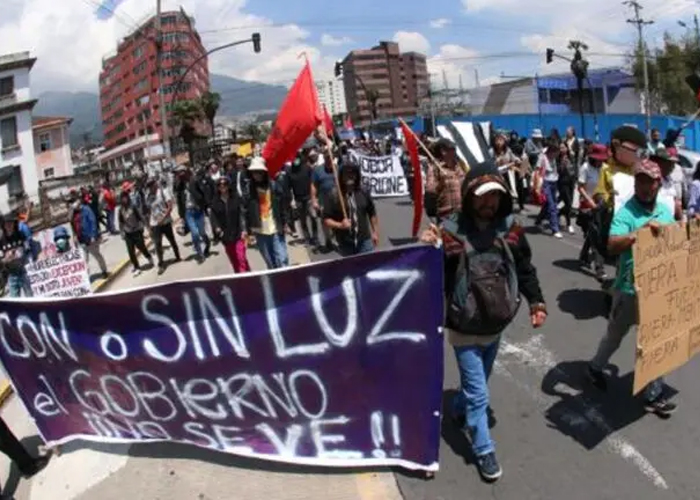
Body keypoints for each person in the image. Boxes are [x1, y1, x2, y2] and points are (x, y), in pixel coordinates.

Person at [420, 159, 547, 482]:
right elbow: (430, 276)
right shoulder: (449, 232)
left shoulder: (511, 229)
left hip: (496, 325)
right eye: (481, 195)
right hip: (463, 329)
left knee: (477, 388)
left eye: (494, 195)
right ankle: (483, 449)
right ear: (469, 195)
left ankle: (459, 408)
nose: (488, 202)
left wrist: (537, 302)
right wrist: (427, 249)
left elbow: (525, 268)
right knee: (480, 394)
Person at [587, 159, 678, 416]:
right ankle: (595, 367)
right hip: (628, 289)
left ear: (658, 184)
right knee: (615, 335)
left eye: (648, 181)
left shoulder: (664, 211)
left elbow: (675, 245)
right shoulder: (626, 212)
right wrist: (640, 233)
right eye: (639, 180)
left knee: (655, 341)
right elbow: (612, 245)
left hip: (656, 290)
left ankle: (654, 394)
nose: (643, 186)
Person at [323, 161, 379, 256]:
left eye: (353, 173)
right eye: (346, 173)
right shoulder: (334, 195)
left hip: (365, 241)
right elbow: (326, 220)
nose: (350, 175)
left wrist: (375, 232)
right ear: (341, 176)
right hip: (345, 243)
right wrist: (340, 225)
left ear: (357, 175)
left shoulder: (364, 192)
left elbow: (372, 213)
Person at [246, 157, 290, 269]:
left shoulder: (274, 185)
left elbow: (282, 206)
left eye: (259, 172)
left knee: (282, 259)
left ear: (264, 172)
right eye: (254, 172)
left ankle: (286, 279)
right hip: (259, 230)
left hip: (275, 227)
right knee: (270, 261)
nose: (256, 175)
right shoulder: (248, 189)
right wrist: (248, 231)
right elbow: (245, 210)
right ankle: (276, 282)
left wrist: (286, 223)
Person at [577, 143, 608, 281]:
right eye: (598, 158)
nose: (600, 161)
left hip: (602, 205)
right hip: (588, 205)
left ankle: (584, 255)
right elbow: (581, 188)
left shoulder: (605, 169)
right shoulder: (585, 168)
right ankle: (599, 269)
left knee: (594, 235)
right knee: (595, 236)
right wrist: (591, 202)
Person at [210, 176, 250, 273]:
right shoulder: (215, 202)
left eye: (225, 184)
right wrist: (217, 228)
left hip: (238, 233)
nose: (222, 186)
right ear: (218, 187)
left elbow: (242, 214)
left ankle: (245, 278)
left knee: (241, 257)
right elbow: (213, 217)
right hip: (225, 235)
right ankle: (241, 276)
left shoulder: (236, 198)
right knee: (234, 259)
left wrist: (244, 229)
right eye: (220, 184)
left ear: (228, 186)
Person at [425, 138, 469, 223]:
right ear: (443, 151)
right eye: (452, 149)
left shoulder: (460, 166)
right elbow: (430, 190)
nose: (455, 151)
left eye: (454, 149)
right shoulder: (435, 168)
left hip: (462, 213)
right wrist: (440, 184)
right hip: (445, 214)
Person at [145, 176, 181, 275]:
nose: (151, 187)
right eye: (149, 186)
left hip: (165, 222)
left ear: (156, 183)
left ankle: (177, 256)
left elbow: (170, 206)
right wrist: (149, 225)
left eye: (152, 184)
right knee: (157, 244)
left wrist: (163, 218)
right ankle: (161, 264)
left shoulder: (163, 192)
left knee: (171, 240)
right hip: (155, 223)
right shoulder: (148, 196)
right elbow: (148, 211)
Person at [69, 194, 108, 280]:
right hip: (81, 240)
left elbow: (93, 222)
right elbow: (72, 224)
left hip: (90, 239)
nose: (71, 205)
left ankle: (104, 271)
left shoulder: (86, 209)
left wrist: (93, 236)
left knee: (97, 255)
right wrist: (74, 236)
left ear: (77, 202)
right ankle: (86, 279)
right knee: (84, 260)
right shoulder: (73, 213)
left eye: (72, 202)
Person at [117, 190, 153, 276]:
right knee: (130, 251)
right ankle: (137, 267)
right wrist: (122, 233)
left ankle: (149, 257)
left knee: (141, 246)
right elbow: (120, 222)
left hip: (136, 230)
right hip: (128, 233)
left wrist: (147, 228)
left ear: (127, 198)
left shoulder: (133, 206)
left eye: (125, 197)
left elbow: (141, 217)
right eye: (122, 198)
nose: (123, 199)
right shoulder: (120, 210)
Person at [287, 151, 319, 245]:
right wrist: (292, 200)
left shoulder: (307, 168)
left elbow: (313, 182)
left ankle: (315, 236)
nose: (295, 160)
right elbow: (289, 187)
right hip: (298, 199)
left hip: (309, 198)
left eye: (297, 157)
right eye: (293, 158)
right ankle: (307, 238)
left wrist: (315, 197)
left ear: (300, 157)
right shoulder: (289, 172)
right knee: (303, 220)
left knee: (313, 217)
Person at [534, 137, 562, 238]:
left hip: (554, 182)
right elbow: (537, 171)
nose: (557, 154)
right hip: (545, 182)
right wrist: (537, 186)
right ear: (551, 150)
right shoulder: (542, 157)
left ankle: (538, 220)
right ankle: (555, 229)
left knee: (548, 204)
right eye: (556, 152)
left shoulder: (554, 158)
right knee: (552, 206)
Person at [0, 212, 33, 297]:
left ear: (15, 224)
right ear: (3, 225)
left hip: (24, 272)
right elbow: (1, 261)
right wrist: (7, 258)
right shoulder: (1, 241)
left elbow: (28, 250)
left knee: (30, 296)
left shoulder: (20, 235)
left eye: (11, 223)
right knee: (15, 300)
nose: (9, 225)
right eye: (7, 223)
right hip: (11, 274)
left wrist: (30, 264)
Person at [310, 147, 337, 252]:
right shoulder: (318, 170)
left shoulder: (337, 168)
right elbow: (313, 185)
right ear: (324, 158)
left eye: (331, 157)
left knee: (336, 220)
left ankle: (336, 236)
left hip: (337, 201)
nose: (329, 159)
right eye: (327, 158)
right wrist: (314, 200)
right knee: (325, 222)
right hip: (323, 201)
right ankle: (328, 240)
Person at [184, 166, 213, 263]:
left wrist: (204, 206)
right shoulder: (181, 185)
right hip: (189, 212)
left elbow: (203, 195)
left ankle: (207, 244)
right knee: (195, 233)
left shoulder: (196, 182)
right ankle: (200, 254)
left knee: (201, 233)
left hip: (198, 211)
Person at [650, 149, 685, 221]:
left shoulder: (669, 180)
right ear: (659, 162)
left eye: (673, 164)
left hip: (669, 223)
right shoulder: (650, 179)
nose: (673, 167)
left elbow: (676, 203)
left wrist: (681, 220)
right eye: (670, 163)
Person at [556, 140, 576, 234]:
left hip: (571, 182)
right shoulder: (558, 158)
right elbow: (558, 171)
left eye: (563, 147)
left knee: (569, 203)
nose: (562, 149)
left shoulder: (571, 157)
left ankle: (558, 213)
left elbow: (574, 168)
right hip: (562, 183)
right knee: (568, 203)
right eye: (560, 148)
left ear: (567, 148)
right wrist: (562, 165)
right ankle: (569, 225)